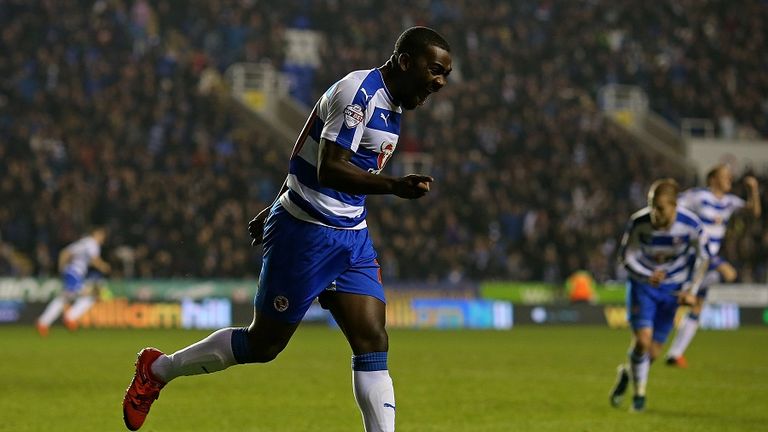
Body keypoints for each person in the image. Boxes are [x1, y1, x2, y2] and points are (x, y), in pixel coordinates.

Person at [122, 26, 452, 432]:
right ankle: (157, 370)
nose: (439, 82)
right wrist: (395, 186)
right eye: (435, 71)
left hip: (352, 236)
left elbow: (302, 146)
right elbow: (328, 166)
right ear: (405, 61)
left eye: (445, 75)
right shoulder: (358, 94)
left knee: (373, 341)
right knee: (263, 345)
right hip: (306, 233)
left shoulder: (395, 103)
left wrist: (276, 199)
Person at [609, 178, 709, 412]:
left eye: (661, 207)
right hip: (643, 286)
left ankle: (627, 374)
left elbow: (704, 258)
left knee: (652, 352)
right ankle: (639, 397)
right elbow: (626, 256)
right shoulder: (639, 222)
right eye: (652, 205)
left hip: (673, 289)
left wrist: (691, 290)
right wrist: (646, 275)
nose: (655, 212)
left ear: (674, 206)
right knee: (642, 342)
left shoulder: (691, 225)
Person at [665, 164, 761, 367]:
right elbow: (671, 206)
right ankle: (680, 293)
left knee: (697, 306)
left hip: (708, 260)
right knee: (729, 273)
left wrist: (753, 189)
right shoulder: (698, 196)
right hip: (695, 255)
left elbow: (754, 212)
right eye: (724, 175)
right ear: (712, 179)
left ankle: (675, 353)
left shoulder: (728, 202)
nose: (729, 178)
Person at [36, 226, 111, 336]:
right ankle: (69, 317)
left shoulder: (83, 242)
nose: (103, 239)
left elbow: (65, 252)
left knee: (63, 299)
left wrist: (62, 269)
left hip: (72, 273)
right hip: (74, 274)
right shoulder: (92, 243)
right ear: (96, 234)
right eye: (102, 236)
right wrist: (104, 266)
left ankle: (44, 322)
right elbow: (95, 260)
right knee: (90, 295)